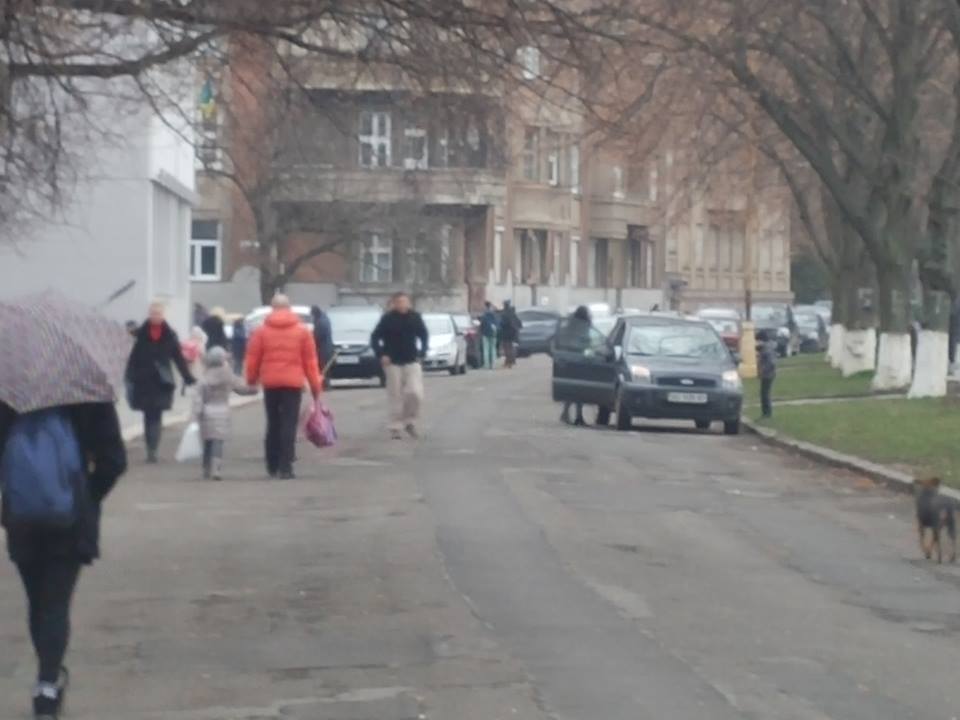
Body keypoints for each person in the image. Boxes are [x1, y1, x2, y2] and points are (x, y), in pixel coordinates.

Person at [0, 401, 127, 719]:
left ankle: (48, 672)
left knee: (38, 601)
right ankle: (47, 684)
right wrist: (87, 496)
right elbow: (114, 461)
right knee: (56, 602)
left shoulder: (10, 391)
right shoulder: (89, 393)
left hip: (22, 517)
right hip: (70, 521)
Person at [245, 294, 323, 479]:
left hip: (270, 383)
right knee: (289, 423)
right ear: (289, 308)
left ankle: (271, 464)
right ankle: (286, 466)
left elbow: (252, 358)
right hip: (292, 383)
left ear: (272, 308)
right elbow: (310, 362)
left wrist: (251, 379)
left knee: (273, 422)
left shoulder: (261, 331)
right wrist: (315, 386)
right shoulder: (302, 331)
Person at [126, 302, 195, 463]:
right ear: (149, 315)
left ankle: (153, 450)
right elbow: (133, 358)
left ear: (163, 316)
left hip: (162, 382)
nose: (155, 316)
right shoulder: (140, 334)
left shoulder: (170, 335)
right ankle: (150, 448)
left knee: (156, 415)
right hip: (143, 380)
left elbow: (177, 357)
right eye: (153, 313)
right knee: (147, 415)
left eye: (158, 314)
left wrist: (187, 376)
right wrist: (130, 376)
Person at [371, 292, 429, 439]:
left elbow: (424, 335)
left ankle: (410, 421)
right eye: (399, 302)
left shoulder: (415, 317)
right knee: (395, 395)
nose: (402, 305)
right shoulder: (387, 319)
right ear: (394, 304)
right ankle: (395, 427)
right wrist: (381, 354)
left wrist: (422, 352)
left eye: (404, 302)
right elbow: (374, 337)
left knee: (415, 393)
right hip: (392, 362)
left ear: (408, 303)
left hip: (412, 360)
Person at [192, 347, 256, 480]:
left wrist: (196, 415)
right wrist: (254, 389)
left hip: (206, 413)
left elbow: (198, 398)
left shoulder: (204, 377)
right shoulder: (228, 375)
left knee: (207, 442)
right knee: (218, 442)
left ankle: (206, 468)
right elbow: (241, 389)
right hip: (222, 411)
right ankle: (217, 469)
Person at [558, 305, 592, 426]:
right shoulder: (584, 325)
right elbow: (587, 341)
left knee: (573, 388)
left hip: (570, 359)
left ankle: (568, 413)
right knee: (579, 389)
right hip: (579, 359)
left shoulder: (570, 324)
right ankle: (577, 416)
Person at [311, 305, 335, 389]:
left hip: (324, 348)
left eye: (313, 314)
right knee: (324, 366)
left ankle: (325, 384)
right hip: (327, 346)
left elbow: (318, 335)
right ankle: (325, 384)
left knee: (323, 366)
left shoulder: (321, 321)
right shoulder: (324, 319)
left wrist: (313, 340)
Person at [758, 336, 778, 419]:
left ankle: (767, 413)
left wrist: (763, 370)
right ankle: (765, 412)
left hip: (768, 374)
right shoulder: (767, 348)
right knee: (764, 394)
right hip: (767, 374)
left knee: (765, 394)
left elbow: (771, 362)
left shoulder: (767, 349)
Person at [500, 300, 522, 369]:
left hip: (506, 333)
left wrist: (500, 325)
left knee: (507, 348)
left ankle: (508, 362)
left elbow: (503, 323)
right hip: (513, 333)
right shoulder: (512, 313)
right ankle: (511, 361)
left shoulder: (504, 313)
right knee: (511, 348)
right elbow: (519, 323)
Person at [479, 301, 499, 370]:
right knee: (493, 349)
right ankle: (493, 364)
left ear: (485, 306)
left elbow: (481, 325)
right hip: (493, 334)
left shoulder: (484, 315)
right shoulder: (494, 315)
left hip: (485, 334)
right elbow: (497, 324)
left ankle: (486, 365)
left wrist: (481, 332)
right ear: (490, 306)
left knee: (486, 349)